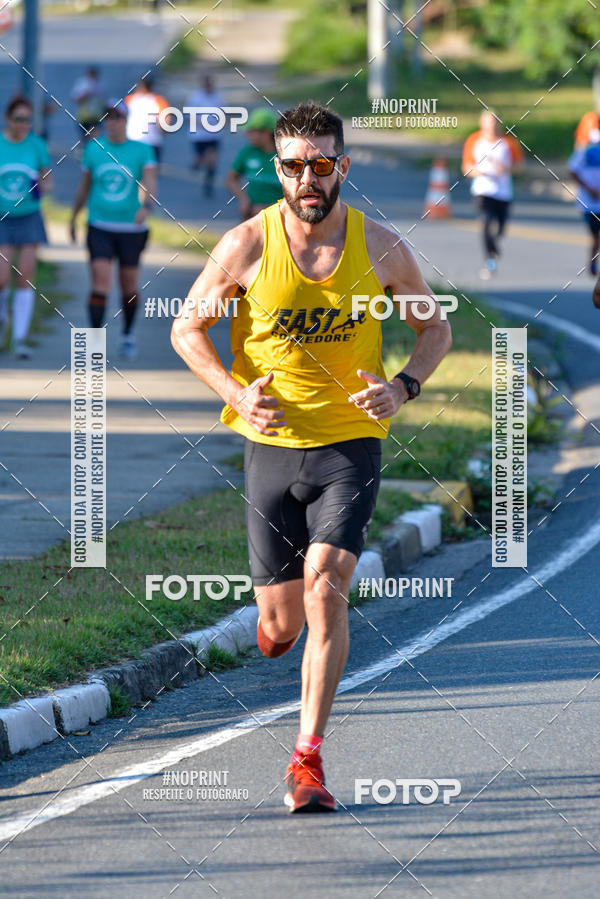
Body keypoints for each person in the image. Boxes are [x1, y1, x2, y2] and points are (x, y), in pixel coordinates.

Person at [171, 102, 452, 813]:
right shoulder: (246, 244)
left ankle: (307, 759)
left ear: (342, 167)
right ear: (278, 169)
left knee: (327, 588)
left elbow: (435, 329)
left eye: (321, 164)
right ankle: (274, 626)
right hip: (271, 448)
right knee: (281, 625)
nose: (308, 178)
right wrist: (235, 392)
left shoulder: (381, 246)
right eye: (294, 165)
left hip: (350, 445)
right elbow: (186, 328)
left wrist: (402, 386)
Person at [70, 99, 157, 358]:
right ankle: (95, 340)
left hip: (131, 228)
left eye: (117, 117)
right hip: (100, 225)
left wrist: (146, 206)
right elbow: (84, 185)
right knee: (101, 281)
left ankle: (127, 335)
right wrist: (74, 217)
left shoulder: (142, 150)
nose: (113, 123)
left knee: (128, 285)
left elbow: (150, 182)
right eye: (108, 118)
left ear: (126, 121)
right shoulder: (94, 148)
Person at [0, 95, 52, 358]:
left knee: (25, 277)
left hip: (29, 216)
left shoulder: (37, 145)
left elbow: (48, 180)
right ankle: (2, 319)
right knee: (1, 277)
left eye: (27, 120)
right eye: (18, 119)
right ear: (7, 118)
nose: (23, 125)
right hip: (3, 218)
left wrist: (41, 186)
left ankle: (20, 339)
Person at [462, 110, 523, 279]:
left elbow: (519, 166)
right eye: (488, 122)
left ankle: (494, 246)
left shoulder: (508, 142)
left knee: (500, 229)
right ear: (482, 123)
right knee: (486, 223)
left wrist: (505, 169)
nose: (491, 126)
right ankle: (490, 259)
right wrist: (479, 172)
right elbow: (466, 167)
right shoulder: (474, 140)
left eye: (495, 122)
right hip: (483, 190)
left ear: (499, 124)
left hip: (503, 193)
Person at [226, 108, 282, 219]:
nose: (247, 134)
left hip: (280, 219)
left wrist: (269, 209)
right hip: (251, 216)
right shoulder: (249, 151)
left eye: (251, 131)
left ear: (266, 133)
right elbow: (231, 179)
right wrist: (244, 199)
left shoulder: (286, 155)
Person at [187, 73, 224, 196]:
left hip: (214, 135)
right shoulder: (195, 97)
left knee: (212, 160)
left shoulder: (218, 96)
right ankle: (197, 163)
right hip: (199, 136)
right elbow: (189, 115)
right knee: (201, 158)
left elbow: (224, 112)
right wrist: (201, 124)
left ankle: (208, 183)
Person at [568, 138, 600, 275]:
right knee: (596, 236)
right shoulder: (584, 149)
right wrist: (589, 189)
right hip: (590, 204)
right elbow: (572, 170)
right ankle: (593, 261)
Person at [124, 76, 169, 165]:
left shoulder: (129, 100)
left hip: (133, 140)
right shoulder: (159, 101)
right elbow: (165, 122)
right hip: (152, 142)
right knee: (150, 169)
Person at [70, 67, 105, 143]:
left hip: (96, 117)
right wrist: (86, 94)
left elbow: (103, 101)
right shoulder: (81, 84)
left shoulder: (100, 85)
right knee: (85, 139)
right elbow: (75, 99)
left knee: (96, 138)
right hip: (84, 118)